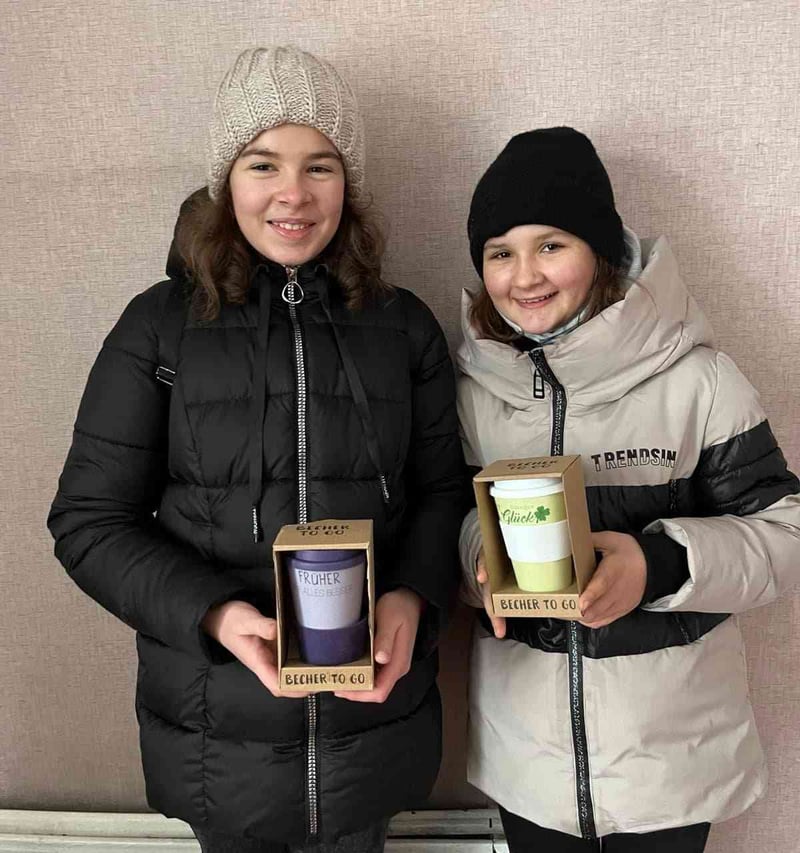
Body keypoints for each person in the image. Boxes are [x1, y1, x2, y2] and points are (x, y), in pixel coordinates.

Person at [48, 46, 465, 853]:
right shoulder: (158, 328)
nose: (293, 194)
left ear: (348, 183)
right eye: (263, 163)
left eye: (321, 166)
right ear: (225, 180)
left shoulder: (404, 326)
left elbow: (444, 492)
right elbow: (89, 522)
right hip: (218, 738)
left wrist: (414, 596)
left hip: (371, 733)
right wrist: (214, 614)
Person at [456, 127, 800, 852]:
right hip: (527, 764)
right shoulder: (472, 394)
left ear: (602, 250)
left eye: (551, 244)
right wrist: (476, 559)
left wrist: (658, 566)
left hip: (672, 766)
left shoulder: (699, 382)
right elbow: (447, 519)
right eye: (500, 252)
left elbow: (785, 531)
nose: (525, 275)